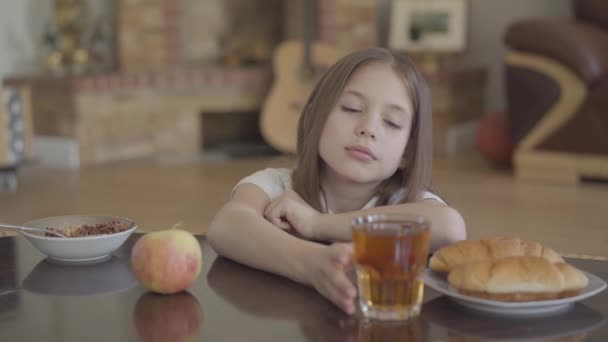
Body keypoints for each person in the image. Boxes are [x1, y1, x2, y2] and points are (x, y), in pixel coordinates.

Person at [207, 47, 467, 315]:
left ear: (407, 153)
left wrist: (317, 225)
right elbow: (227, 225)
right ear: (312, 118)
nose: (369, 128)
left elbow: (451, 227)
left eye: (392, 122)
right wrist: (311, 264)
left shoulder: (409, 202)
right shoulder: (276, 185)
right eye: (351, 108)